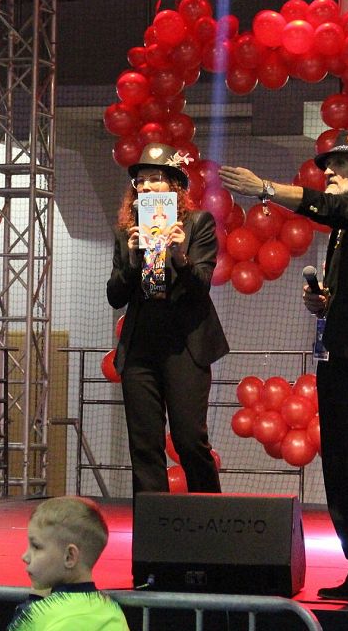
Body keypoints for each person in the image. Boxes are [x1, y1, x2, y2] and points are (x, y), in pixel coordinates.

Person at [218, 129, 348, 605]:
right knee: (339, 466)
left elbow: (330, 207)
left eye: (340, 164)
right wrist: (325, 302)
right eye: (328, 164)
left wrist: (264, 188)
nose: (328, 170)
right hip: (343, 351)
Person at [107, 143, 228, 495]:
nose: (145, 187)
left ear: (173, 186)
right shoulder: (127, 232)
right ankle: (152, 521)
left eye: (154, 179)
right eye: (140, 181)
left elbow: (201, 285)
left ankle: (209, 515)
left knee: (190, 439)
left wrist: (178, 255)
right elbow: (115, 296)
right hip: (141, 347)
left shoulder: (197, 224)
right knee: (144, 444)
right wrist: (132, 260)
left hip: (184, 346)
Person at [8, 496, 129, 631]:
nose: (25, 557)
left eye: (36, 546)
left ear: (69, 556)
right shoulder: (114, 613)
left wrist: (33, 604)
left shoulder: (38, 615)